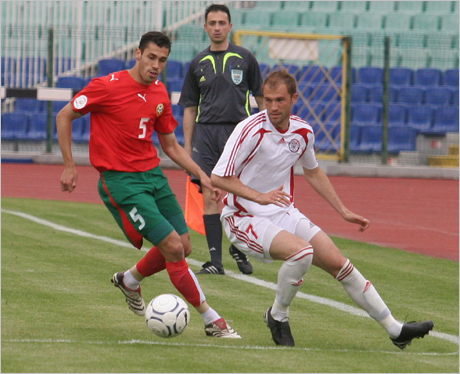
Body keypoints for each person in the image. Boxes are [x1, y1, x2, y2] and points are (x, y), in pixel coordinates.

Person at [210, 69, 434, 348]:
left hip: (281, 211)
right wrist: (260, 196)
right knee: (301, 252)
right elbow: (218, 177)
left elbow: (313, 172)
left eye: (279, 100)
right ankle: (277, 316)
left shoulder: (303, 132)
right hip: (242, 217)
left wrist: (342, 210)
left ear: (294, 98)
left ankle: (394, 329)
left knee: (339, 263)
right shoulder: (250, 130)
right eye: (267, 100)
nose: (273, 107)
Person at [56, 31, 240, 338]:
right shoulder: (107, 86)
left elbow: (170, 145)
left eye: (163, 60)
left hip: (153, 176)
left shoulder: (159, 93)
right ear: (138, 54)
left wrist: (202, 176)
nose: (156, 65)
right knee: (172, 247)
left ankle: (129, 280)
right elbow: (64, 116)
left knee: (184, 245)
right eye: (151, 57)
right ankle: (213, 320)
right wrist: (69, 165)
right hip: (121, 181)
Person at [178, 3, 265, 276]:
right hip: (206, 137)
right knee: (210, 195)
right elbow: (190, 109)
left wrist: (265, 137)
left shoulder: (246, 58)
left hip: (239, 135)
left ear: (230, 26)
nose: (217, 27)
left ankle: (239, 246)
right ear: (205, 27)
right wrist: (187, 148)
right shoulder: (197, 63)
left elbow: (262, 100)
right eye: (212, 23)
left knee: (240, 195)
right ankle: (216, 262)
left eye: (221, 23)